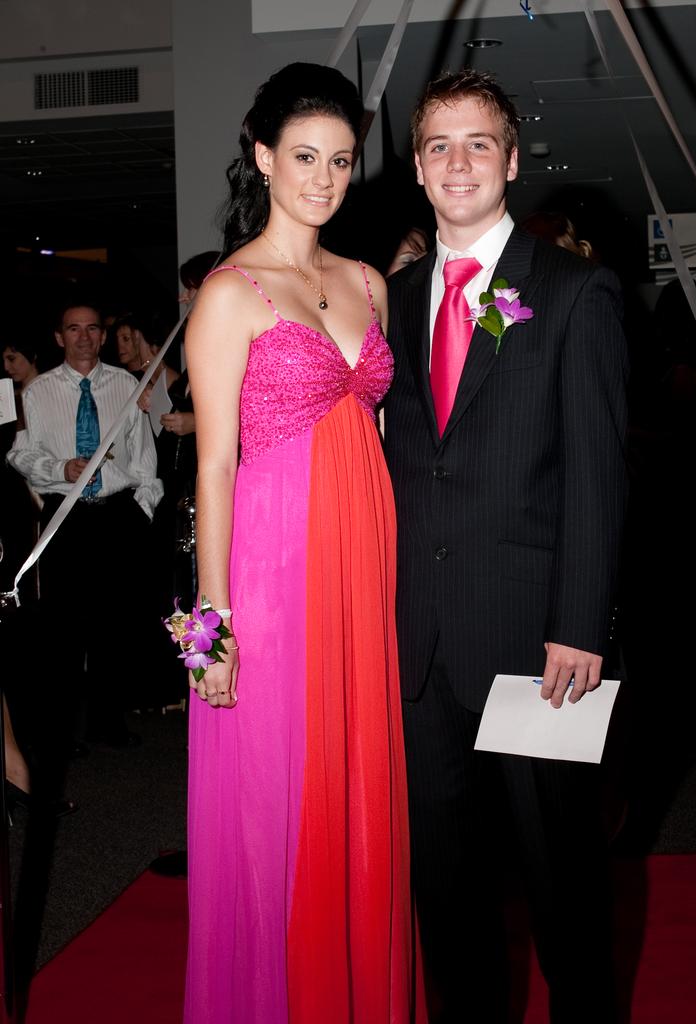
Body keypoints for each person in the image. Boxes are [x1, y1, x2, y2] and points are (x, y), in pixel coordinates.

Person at [384, 69, 628, 1023]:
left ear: (512, 160)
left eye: (478, 143)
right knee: (445, 885)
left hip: (537, 648)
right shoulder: (394, 300)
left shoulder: (573, 291)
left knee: (561, 880)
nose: (458, 162)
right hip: (420, 649)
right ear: (415, 165)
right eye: (439, 144)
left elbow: (599, 476)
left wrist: (580, 624)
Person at [183, 63, 424, 1024]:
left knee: (357, 789)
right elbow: (210, 470)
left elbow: (372, 433)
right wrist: (211, 628)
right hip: (272, 576)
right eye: (304, 158)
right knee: (276, 804)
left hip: (362, 565)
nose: (324, 179)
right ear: (262, 157)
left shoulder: (366, 279)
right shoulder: (229, 292)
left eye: (341, 161)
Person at [7, 303, 162, 751]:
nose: (83, 337)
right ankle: (62, 730)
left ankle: (107, 723)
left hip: (117, 515)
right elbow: (19, 454)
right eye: (74, 329)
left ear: (102, 335)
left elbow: (144, 455)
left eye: (92, 329)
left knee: (115, 625)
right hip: (66, 516)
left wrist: (143, 509)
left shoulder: (127, 385)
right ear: (59, 337)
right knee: (63, 630)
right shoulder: (36, 393)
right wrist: (61, 468)